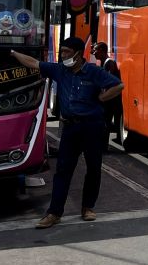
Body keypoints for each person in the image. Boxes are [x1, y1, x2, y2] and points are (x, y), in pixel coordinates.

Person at [10, 37, 123, 228]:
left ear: (78, 54)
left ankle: (88, 208)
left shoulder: (94, 72)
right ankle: (54, 213)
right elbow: (33, 63)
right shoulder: (60, 70)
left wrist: (103, 97)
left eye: (67, 52)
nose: (63, 56)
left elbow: (118, 85)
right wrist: (12, 53)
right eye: (62, 52)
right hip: (70, 127)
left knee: (93, 168)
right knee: (63, 170)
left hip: (92, 127)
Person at [92, 41, 125, 146]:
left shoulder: (109, 63)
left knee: (105, 121)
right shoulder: (105, 62)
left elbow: (109, 82)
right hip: (110, 99)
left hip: (110, 100)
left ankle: (103, 145)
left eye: (95, 50)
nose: (94, 53)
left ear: (102, 51)